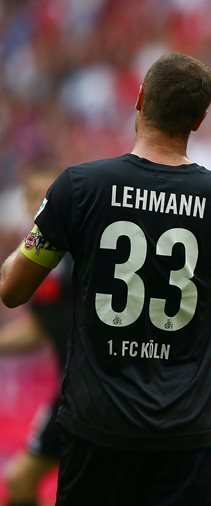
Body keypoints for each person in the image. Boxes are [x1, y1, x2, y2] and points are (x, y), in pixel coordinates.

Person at [0, 52, 211, 506]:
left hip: (94, 430)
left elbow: (11, 288)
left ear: (139, 100)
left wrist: (47, 230)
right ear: (199, 120)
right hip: (186, 439)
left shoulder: (79, 187)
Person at [0, 165, 73, 506]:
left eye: (48, 195)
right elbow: (42, 328)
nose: (40, 203)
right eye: (33, 196)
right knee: (20, 480)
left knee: (21, 478)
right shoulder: (44, 255)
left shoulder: (76, 251)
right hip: (70, 389)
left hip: (89, 389)